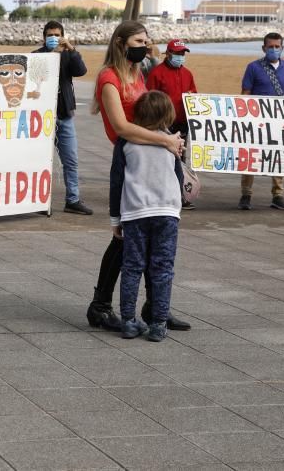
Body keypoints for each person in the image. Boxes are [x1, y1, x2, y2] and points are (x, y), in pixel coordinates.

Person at [86, 20, 189, 333]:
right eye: (140, 40)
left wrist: (169, 139)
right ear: (121, 43)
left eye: (147, 40)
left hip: (151, 156)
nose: (146, 46)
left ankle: (152, 305)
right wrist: (166, 141)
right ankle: (102, 306)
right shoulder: (109, 78)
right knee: (127, 240)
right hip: (132, 160)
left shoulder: (137, 72)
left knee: (142, 239)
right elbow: (121, 127)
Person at [110, 91, 183, 342]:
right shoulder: (172, 142)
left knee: (131, 267)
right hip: (166, 212)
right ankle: (159, 323)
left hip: (135, 212)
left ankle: (129, 321)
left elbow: (117, 180)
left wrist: (114, 219)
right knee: (162, 269)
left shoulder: (127, 143)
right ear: (168, 114)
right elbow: (179, 176)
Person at [32, 21, 91, 215]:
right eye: (50, 35)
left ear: (63, 36)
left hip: (64, 115)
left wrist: (71, 50)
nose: (53, 38)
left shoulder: (68, 55)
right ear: (44, 37)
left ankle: (72, 199)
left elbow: (81, 70)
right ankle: (39, 200)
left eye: (57, 34)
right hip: (41, 118)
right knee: (39, 160)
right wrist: (51, 55)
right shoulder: (36, 56)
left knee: (70, 159)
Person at [238, 33, 284, 211]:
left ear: (282, 48)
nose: (274, 50)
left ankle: (278, 194)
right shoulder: (253, 67)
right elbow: (245, 93)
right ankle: (246, 194)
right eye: (271, 47)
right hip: (256, 121)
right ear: (264, 48)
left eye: (277, 47)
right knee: (250, 156)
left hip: (278, 121)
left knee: (278, 156)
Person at [145, 39, 197, 210]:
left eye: (183, 53)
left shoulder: (188, 74)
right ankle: (158, 195)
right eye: (177, 53)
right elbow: (150, 99)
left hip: (182, 123)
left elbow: (194, 95)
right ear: (168, 53)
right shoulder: (156, 73)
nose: (180, 56)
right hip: (163, 125)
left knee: (180, 160)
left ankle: (179, 195)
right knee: (161, 160)